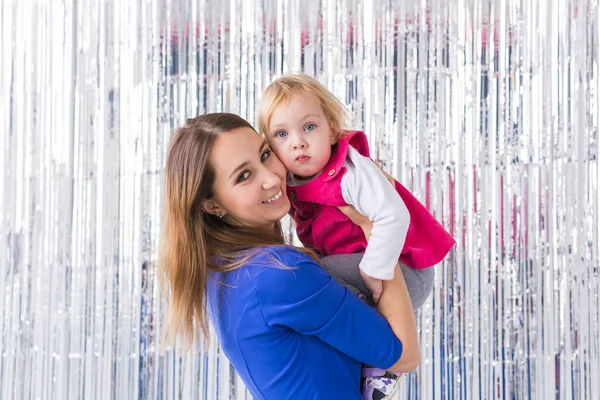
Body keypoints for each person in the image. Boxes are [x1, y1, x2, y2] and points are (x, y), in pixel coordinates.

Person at [159, 113, 420, 399]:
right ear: (212, 205)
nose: (271, 178)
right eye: (244, 176)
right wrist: (378, 229)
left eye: (265, 154)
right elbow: (403, 354)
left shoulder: (223, 271)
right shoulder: (281, 273)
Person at [257, 73, 455, 398]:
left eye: (309, 127)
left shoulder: (350, 172)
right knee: (309, 273)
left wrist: (375, 269)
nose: (298, 142)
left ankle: (383, 363)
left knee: (311, 275)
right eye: (282, 134)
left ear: (332, 129)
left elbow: (394, 214)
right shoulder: (291, 182)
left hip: (405, 272)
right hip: (360, 268)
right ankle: (365, 359)